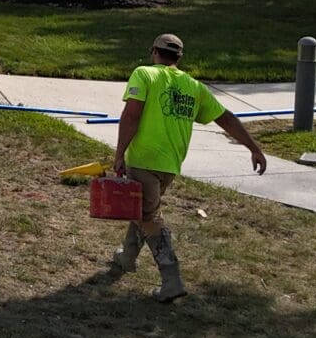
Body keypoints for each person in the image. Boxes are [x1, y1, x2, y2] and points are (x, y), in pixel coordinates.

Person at [109, 33, 266, 303]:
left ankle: (172, 280)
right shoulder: (193, 86)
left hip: (144, 159)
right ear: (179, 58)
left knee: (149, 216)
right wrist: (254, 147)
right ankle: (127, 257)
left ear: (153, 52)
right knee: (145, 209)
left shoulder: (144, 74)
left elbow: (132, 115)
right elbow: (226, 118)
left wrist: (120, 153)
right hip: (170, 165)